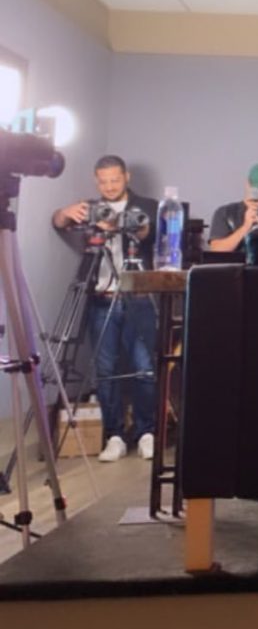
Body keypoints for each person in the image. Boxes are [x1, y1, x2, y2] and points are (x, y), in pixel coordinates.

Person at [52, 154, 158, 461]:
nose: (110, 186)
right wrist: (65, 212)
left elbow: (147, 232)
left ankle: (147, 431)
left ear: (127, 177)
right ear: (96, 181)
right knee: (105, 370)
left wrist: (121, 224)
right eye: (104, 182)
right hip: (101, 298)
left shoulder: (146, 206)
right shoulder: (90, 208)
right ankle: (115, 435)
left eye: (115, 180)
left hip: (138, 298)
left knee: (144, 368)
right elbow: (58, 222)